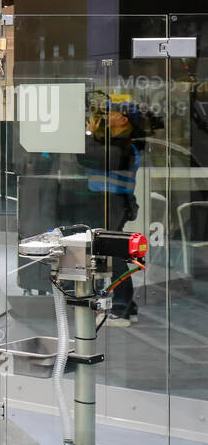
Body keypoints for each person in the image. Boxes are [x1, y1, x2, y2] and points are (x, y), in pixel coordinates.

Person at [78, 101, 142, 324]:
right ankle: (128, 306)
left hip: (112, 202)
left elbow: (87, 156)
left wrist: (87, 132)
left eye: (110, 113)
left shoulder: (123, 147)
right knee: (112, 252)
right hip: (105, 201)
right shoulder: (115, 143)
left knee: (113, 254)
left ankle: (121, 307)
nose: (104, 116)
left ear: (124, 119)